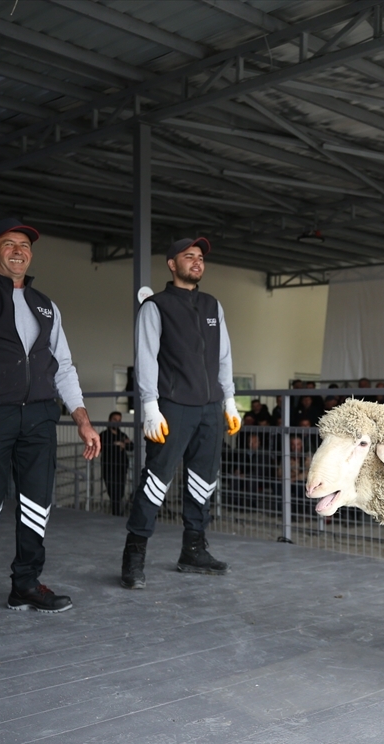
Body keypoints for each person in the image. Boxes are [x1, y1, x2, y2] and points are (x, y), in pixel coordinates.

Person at [0, 218, 100, 622]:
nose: (18, 251)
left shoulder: (46, 305)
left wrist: (81, 418)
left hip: (41, 417)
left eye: (25, 245)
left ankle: (26, 585)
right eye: (8, 243)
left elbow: (63, 365)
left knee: (36, 502)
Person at [121, 236, 240, 590]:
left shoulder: (212, 305)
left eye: (200, 257)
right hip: (172, 406)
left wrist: (229, 401)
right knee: (156, 479)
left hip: (209, 407)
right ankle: (134, 553)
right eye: (189, 256)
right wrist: (149, 406)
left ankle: (193, 550)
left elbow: (224, 357)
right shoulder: (156, 306)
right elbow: (144, 358)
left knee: (203, 481)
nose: (197, 262)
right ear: (172, 264)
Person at [100, 411, 131, 516]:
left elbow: (131, 446)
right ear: (109, 420)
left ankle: (117, 515)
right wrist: (119, 445)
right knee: (113, 493)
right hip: (109, 469)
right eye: (115, 420)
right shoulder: (104, 435)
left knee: (120, 493)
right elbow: (104, 447)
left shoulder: (122, 434)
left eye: (119, 420)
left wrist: (122, 445)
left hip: (121, 469)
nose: (117, 422)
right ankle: (116, 515)